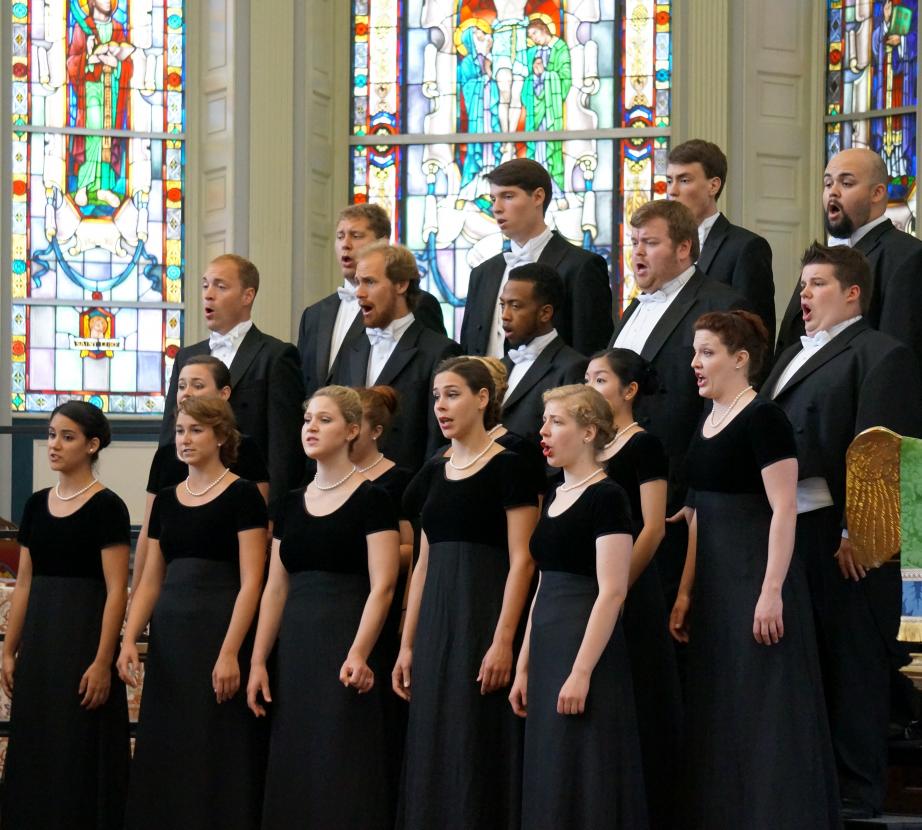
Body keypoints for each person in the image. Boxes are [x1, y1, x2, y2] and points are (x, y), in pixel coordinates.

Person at [763, 242, 922, 819]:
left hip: (842, 534)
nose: (803, 296)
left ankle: (858, 792)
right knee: (807, 658)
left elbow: (882, 448)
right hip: (791, 527)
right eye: (802, 286)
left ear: (853, 293)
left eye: (817, 285)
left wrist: (861, 530)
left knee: (851, 659)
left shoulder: (880, 353)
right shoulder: (786, 358)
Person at [671, 310, 840, 829]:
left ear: (740, 360)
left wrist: (771, 593)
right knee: (722, 708)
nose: (695, 363)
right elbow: (700, 508)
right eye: (695, 352)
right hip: (718, 582)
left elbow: (785, 509)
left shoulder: (763, 417)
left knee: (764, 707)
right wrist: (685, 592)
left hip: (755, 575)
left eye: (707, 353)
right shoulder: (710, 417)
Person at [394, 357, 541, 829]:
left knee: (478, 740)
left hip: (483, 615)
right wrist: (407, 643)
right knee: (433, 742)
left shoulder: (510, 468)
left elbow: (524, 560)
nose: (441, 405)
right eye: (437, 396)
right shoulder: (435, 472)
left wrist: (503, 640)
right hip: (437, 622)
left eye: (453, 394)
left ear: (483, 399)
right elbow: (423, 565)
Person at [247, 386, 400, 829]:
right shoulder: (291, 502)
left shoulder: (374, 499)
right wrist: (259, 660)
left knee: (342, 760)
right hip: (295, 650)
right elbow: (275, 588)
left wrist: (359, 652)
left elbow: (384, 585)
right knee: (296, 758)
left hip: (346, 642)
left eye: (324, 419)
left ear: (353, 430)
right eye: (307, 418)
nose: (311, 427)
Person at [120, 397, 268, 830]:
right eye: (181, 430)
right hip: (171, 636)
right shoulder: (166, 499)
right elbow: (149, 579)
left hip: (219, 629)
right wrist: (130, 637)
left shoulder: (243, 495)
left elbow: (252, 583)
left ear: (221, 436)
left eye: (196, 430)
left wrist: (229, 653)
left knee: (215, 742)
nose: (184, 439)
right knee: (169, 741)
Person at [510, 384, 648, 829]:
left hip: (584, 648)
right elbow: (543, 584)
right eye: (544, 421)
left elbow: (612, 591)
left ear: (589, 432)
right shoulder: (554, 494)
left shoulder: (608, 497)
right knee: (551, 769)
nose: (543, 432)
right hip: (549, 647)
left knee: (585, 767)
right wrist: (525, 666)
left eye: (556, 422)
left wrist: (582, 671)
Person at [609, 199, 748, 605]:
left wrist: (693, 492)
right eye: (634, 242)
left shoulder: (719, 303)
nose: (637, 253)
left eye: (649, 243)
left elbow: (723, 404)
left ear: (684, 248)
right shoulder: (634, 307)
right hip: (623, 481)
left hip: (676, 487)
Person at [1, 402, 130, 829]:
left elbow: (116, 592)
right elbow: (24, 583)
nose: (54, 444)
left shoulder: (107, 507)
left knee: (77, 748)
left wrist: (101, 660)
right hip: (40, 643)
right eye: (52, 433)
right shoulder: (37, 505)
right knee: (38, 746)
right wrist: (9, 649)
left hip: (82, 640)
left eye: (67, 436)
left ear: (92, 445)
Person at [585, 348, 682, 830]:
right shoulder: (587, 447)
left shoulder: (643, 446)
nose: (590, 386)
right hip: (589, 591)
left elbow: (653, 527)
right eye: (586, 378)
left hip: (631, 591)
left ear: (628, 391)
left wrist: (618, 585)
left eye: (599, 379)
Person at [159, 254, 304, 512]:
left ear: (247, 296)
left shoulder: (276, 356)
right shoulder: (186, 356)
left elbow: (284, 445)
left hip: (246, 495)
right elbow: (170, 433)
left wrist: (273, 512)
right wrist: (164, 497)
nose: (208, 294)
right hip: (187, 493)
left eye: (220, 286)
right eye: (205, 285)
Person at [775, 147, 922, 375]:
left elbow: (898, 351)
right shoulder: (825, 255)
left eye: (846, 183)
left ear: (877, 193)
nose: (832, 192)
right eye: (827, 184)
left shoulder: (906, 256)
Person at [133, 355, 269, 593]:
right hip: (172, 577)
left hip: (225, 581)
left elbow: (258, 530)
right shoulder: (167, 455)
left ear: (224, 393)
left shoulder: (246, 450)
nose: (186, 393)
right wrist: (134, 593)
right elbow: (148, 531)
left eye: (197, 385)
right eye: (181, 386)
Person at [459, 158, 613, 357]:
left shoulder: (580, 267)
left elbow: (590, 351)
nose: (496, 208)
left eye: (507, 196)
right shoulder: (483, 273)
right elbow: (468, 348)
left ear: (538, 197)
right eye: (493, 199)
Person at [332, 241, 461, 470]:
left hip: (406, 490)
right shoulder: (352, 348)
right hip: (350, 486)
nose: (359, 293)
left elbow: (438, 439)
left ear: (401, 284)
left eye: (370, 282)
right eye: (358, 282)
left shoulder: (439, 351)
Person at [296, 204, 447, 398]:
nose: (345, 244)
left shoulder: (418, 304)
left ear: (382, 243)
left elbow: (427, 367)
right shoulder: (314, 314)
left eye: (356, 236)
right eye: (340, 236)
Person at [666, 139, 775, 335]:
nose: (672, 191)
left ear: (713, 186)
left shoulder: (745, 247)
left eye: (684, 180)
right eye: (669, 180)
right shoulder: (664, 247)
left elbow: (756, 335)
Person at [498, 262, 587, 447]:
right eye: (502, 305)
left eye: (515, 306)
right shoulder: (503, 365)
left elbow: (571, 443)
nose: (505, 316)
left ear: (545, 313)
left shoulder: (572, 367)